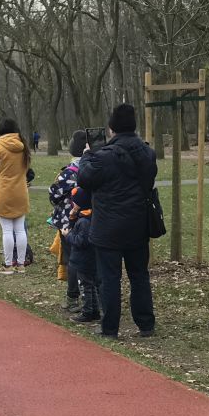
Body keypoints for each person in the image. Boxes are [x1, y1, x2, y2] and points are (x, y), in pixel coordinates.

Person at [77, 103, 157, 339]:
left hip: (108, 226)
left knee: (109, 278)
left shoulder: (102, 157)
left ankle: (110, 327)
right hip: (138, 223)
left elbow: (84, 179)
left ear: (111, 128)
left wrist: (86, 155)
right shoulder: (147, 154)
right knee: (139, 275)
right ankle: (146, 324)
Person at [48, 130, 84, 311]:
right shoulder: (95, 168)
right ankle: (91, 297)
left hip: (68, 223)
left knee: (72, 259)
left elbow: (54, 195)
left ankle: (73, 297)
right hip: (90, 220)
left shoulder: (68, 173)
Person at [0, 118, 31, 274]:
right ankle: (21, 264)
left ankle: (8, 265)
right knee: (20, 230)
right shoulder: (23, 146)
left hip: (4, 192)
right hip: (21, 191)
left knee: (7, 231)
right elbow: (27, 168)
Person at [64, 187, 99, 323]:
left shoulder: (84, 221)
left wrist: (68, 235)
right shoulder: (85, 216)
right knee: (91, 285)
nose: (72, 203)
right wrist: (72, 216)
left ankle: (87, 312)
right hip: (87, 258)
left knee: (85, 286)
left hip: (83, 259)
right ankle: (94, 311)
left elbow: (81, 241)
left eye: (74, 201)